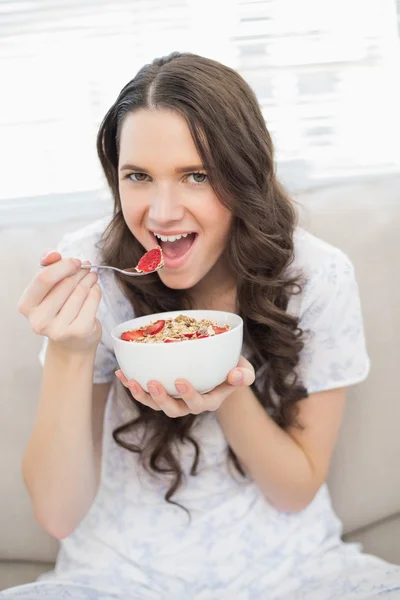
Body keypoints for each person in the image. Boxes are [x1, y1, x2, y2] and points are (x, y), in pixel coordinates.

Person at [3, 52, 400, 600]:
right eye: (138, 176)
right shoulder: (92, 272)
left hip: (293, 571)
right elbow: (57, 513)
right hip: (114, 576)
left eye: (197, 176)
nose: (162, 213)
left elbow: (294, 490)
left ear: (245, 176)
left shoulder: (315, 275)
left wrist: (224, 390)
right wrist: (71, 351)